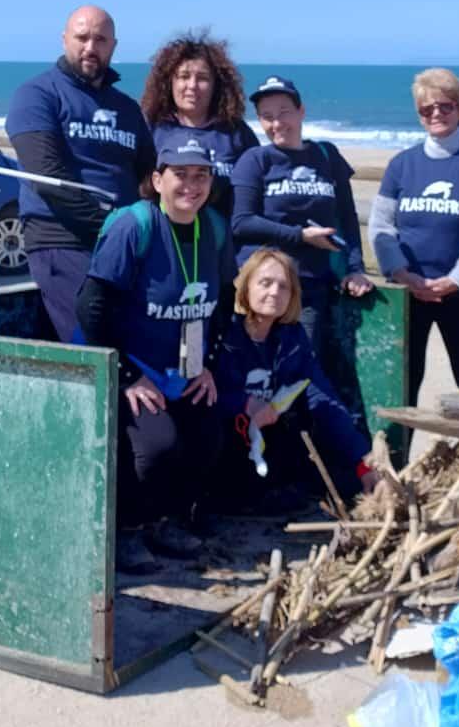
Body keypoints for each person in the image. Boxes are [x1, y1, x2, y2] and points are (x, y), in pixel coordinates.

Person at [77, 143, 235, 572]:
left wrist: (209, 367)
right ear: (158, 179)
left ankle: (168, 522)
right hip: (129, 365)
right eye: (180, 174)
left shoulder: (215, 228)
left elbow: (224, 304)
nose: (191, 185)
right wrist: (127, 377)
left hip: (183, 368)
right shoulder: (135, 225)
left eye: (201, 175)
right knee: (156, 446)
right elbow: (91, 307)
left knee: (207, 436)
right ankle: (127, 530)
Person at [5, 6, 155, 343]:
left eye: (100, 39)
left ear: (113, 46)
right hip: (61, 239)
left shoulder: (127, 108)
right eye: (82, 37)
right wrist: (113, 227)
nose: (90, 47)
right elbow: (47, 177)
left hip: (122, 244)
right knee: (93, 341)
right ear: (64, 40)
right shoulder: (37, 94)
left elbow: (150, 177)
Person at [230, 74, 371, 429]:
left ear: (301, 111)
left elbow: (347, 218)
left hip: (310, 290)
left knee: (296, 382)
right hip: (261, 289)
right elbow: (242, 222)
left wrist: (355, 268)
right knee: (255, 380)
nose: (277, 123)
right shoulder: (255, 159)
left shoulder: (326, 155)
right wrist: (300, 236)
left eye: (284, 112)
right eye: (266, 115)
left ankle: (298, 465)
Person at [369, 68, 459, 405]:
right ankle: (398, 457)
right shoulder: (402, 164)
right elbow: (381, 225)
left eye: (445, 106)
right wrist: (401, 273)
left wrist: (458, 280)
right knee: (404, 383)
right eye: (427, 109)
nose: (436, 114)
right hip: (409, 293)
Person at [212, 249, 376, 516]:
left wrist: (363, 460)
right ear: (246, 286)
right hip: (227, 437)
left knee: (339, 475)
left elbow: (321, 397)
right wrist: (244, 404)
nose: (275, 292)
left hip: (269, 438)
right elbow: (200, 393)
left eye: (284, 286)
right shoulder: (222, 331)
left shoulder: (292, 336)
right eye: (265, 283)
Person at [140, 31, 259, 218]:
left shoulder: (236, 134)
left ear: (216, 85)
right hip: (162, 233)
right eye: (184, 76)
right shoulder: (151, 128)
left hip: (222, 237)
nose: (192, 85)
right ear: (169, 82)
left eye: (202, 78)